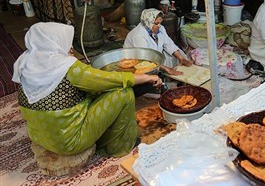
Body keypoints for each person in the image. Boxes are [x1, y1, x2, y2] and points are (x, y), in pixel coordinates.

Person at [12, 22, 162, 158]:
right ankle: (117, 146)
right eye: (66, 42)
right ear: (54, 43)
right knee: (124, 92)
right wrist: (148, 78)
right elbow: (110, 79)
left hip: (39, 137)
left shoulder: (24, 63)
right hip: (70, 142)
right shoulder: (66, 67)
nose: (70, 48)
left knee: (94, 91)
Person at [123, 8, 192, 75]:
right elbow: (146, 58)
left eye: (160, 23)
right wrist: (166, 69)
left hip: (154, 59)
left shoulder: (160, 28)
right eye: (156, 23)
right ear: (148, 22)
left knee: (175, 55)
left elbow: (169, 44)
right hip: (137, 63)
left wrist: (182, 59)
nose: (159, 26)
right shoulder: (138, 35)